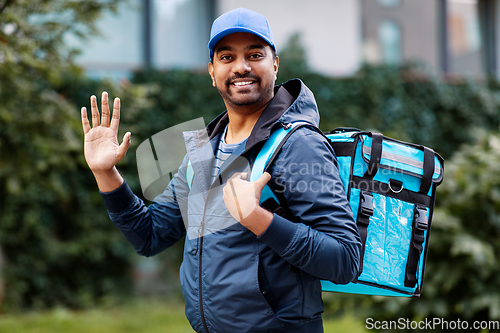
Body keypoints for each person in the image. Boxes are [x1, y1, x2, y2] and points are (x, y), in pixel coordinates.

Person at [81, 7, 361, 333]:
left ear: (275, 64)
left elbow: (345, 260)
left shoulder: (299, 145)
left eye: (254, 54)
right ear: (212, 72)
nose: (241, 66)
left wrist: (258, 220)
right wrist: (105, 173)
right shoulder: (203, 151)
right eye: (227, 57)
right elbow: (151, 235)